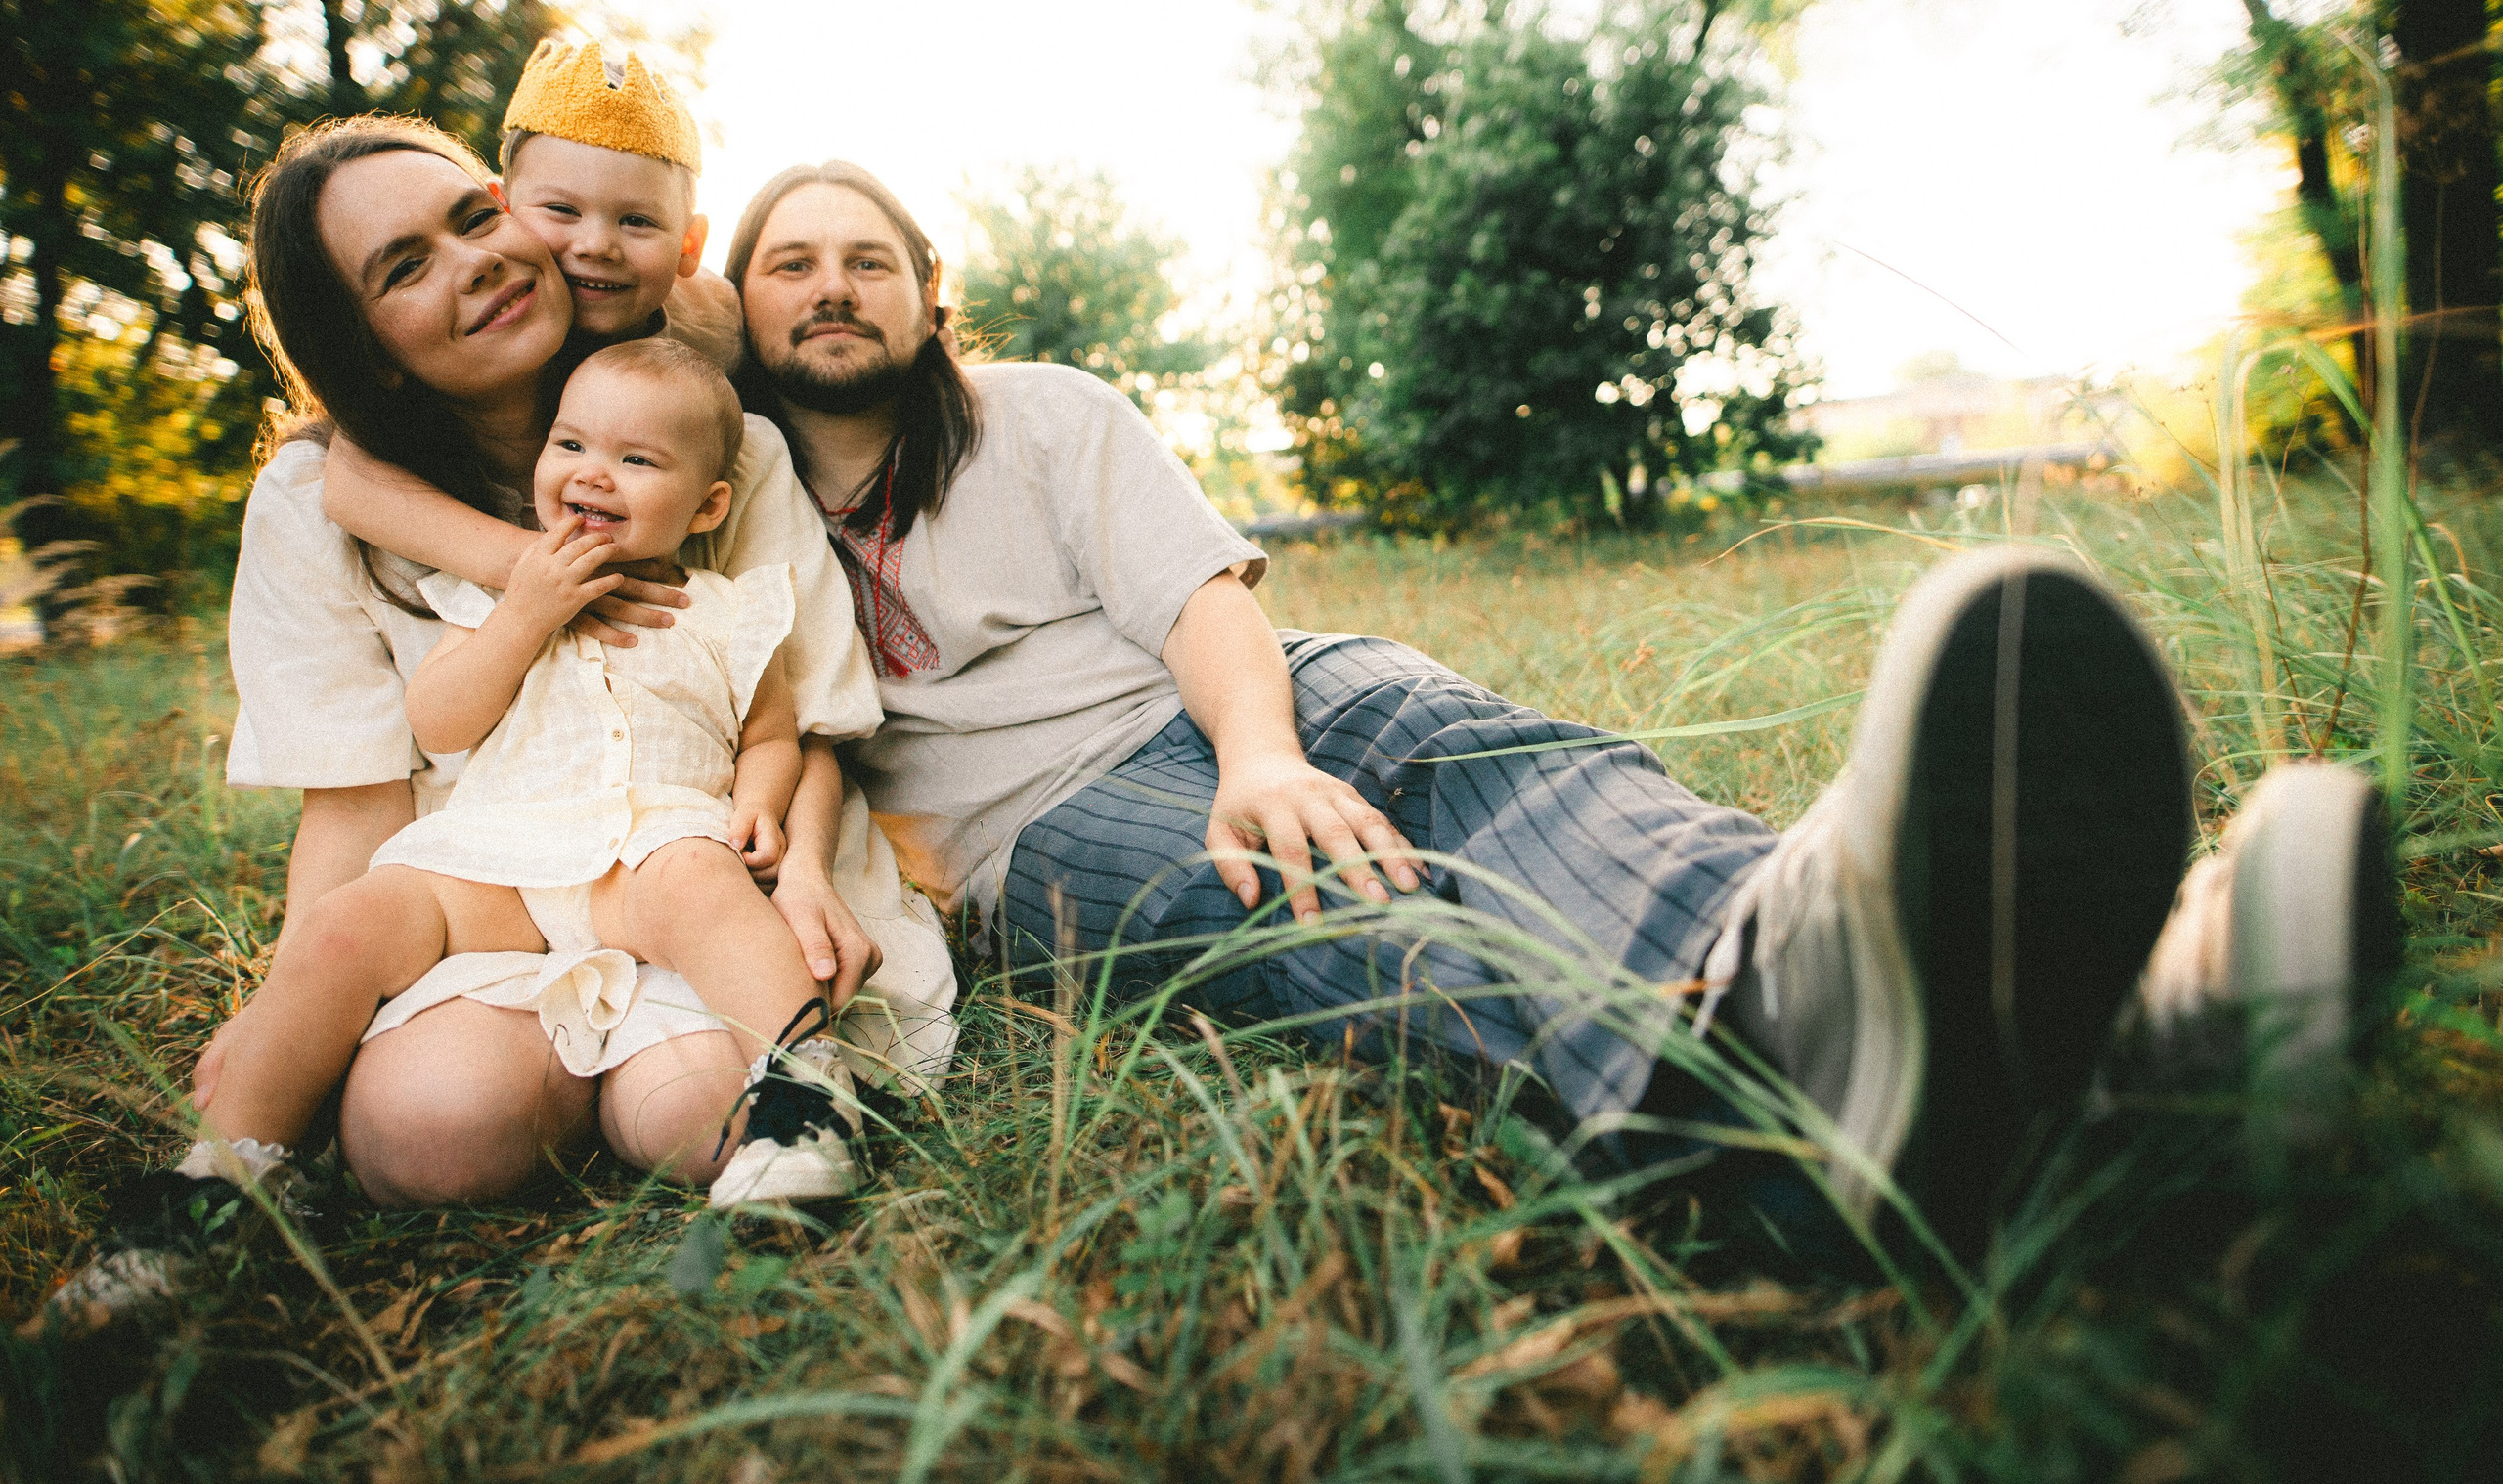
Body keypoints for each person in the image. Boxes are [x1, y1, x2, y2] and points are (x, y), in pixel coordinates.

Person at [715, 158, 2401, 1252]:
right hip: (1046, 825)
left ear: (931, 292)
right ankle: (2077, 1066)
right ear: (739, 309)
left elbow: (1200, 600)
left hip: (1261, 697)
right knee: (1343, 913)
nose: (835, 282)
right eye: (792, 262)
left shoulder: (1049, 413)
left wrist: (1261, 751)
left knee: (1538, 785)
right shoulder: (718, 498)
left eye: (872, 256)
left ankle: (1813, 946)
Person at [178, 341, 911, 1224]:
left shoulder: (727, 608)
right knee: (350, 922)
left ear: (708, 503)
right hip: (499, 858)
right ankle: (228, 1169)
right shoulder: (490, 597)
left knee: (705, 887)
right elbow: (439, 719)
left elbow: (771, 733)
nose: (594, 475)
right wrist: (524, 611)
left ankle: (806, 1101)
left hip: (649, 850)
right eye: (571, 446)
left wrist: (758, 800)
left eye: (637, 461)